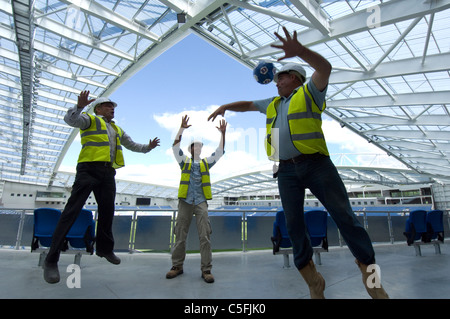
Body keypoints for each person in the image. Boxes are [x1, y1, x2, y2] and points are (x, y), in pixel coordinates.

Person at [208, 27, 389, 299]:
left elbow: (325, 68)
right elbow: (246, 104)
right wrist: (225, 106)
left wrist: (301, 51)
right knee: (293, 225)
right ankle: (313, 281)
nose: (276, 82)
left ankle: (371, 279)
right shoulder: (273, 103)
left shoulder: (309, 93)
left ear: (294, 78)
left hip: (317, 165)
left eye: (280, 78)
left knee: (346, 218)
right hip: (286, 171)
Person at [43, 90, 160, 284]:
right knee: (71, 212)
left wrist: (148, 147)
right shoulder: (89, 119)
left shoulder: (117, 129)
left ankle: (105, 249)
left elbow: (132, 145)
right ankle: (51, 259)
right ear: (98, 108)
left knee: (108, 211)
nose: (112, 109)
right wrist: (79, 106)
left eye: (113, 107)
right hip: (88, 170)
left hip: (107, 173)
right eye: (108, 106)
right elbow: (71, 120)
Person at [166, 115, 226, 283]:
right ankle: (176, 266)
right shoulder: (184, 162)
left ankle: (206, 270)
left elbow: (220, 152)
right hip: (185, 201)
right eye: (195, 146)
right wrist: (182, 129)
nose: (198, 148)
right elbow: (175, 147)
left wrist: (223, 134)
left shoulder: (206, 163)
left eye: (200, 146)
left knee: (205, 236)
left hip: (200, 202)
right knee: (180, 235)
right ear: (190, 149)